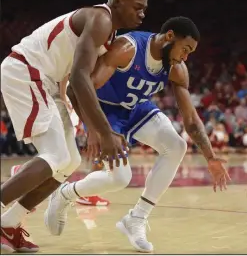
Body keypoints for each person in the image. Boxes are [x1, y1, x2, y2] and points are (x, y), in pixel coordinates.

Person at [45, 17, 231, 253]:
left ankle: (136, 218)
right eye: (185, 49)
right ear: (170, 37)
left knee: (176, 146)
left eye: (190, 52)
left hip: (136, 108)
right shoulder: (128, 49)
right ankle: (65, 194)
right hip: (105, 110)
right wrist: (94, 128)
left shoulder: (177, 69)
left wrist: (211, 157)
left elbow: (191, 120)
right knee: (120, 178)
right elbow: (79, 88)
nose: (186, 57)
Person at [0, 0, 149, 253]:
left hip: (49, 82)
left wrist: (94, 129)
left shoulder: (108, 34)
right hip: (28, 71)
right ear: (117, 2)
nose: (141, 13)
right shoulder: (101, 19)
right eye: (136, 6)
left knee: (69, 162)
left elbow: (73, 90)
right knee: (55, 156)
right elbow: (80, 78)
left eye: (144, 9)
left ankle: (8, 224)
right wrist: (104, 132)